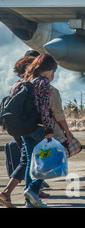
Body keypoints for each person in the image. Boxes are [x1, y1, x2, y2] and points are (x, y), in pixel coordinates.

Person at [21, 54, 58, 207]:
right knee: (51, 159)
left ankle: (29, 201)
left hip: (24, 127)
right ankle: (33, 189)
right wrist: (48, 129)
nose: (53, 75)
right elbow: (43, 108)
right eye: (53, 71)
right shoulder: (42, 83)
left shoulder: (26, 80)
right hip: (37, 128)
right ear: (48, 69)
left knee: (31, 162)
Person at [1, 55, 38, 208]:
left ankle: (21, 192)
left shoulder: (17, 84)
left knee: (27, 158)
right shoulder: (30, 84)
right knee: (28, 159)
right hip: (27, 127)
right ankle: (20, 192)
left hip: (15, 126)